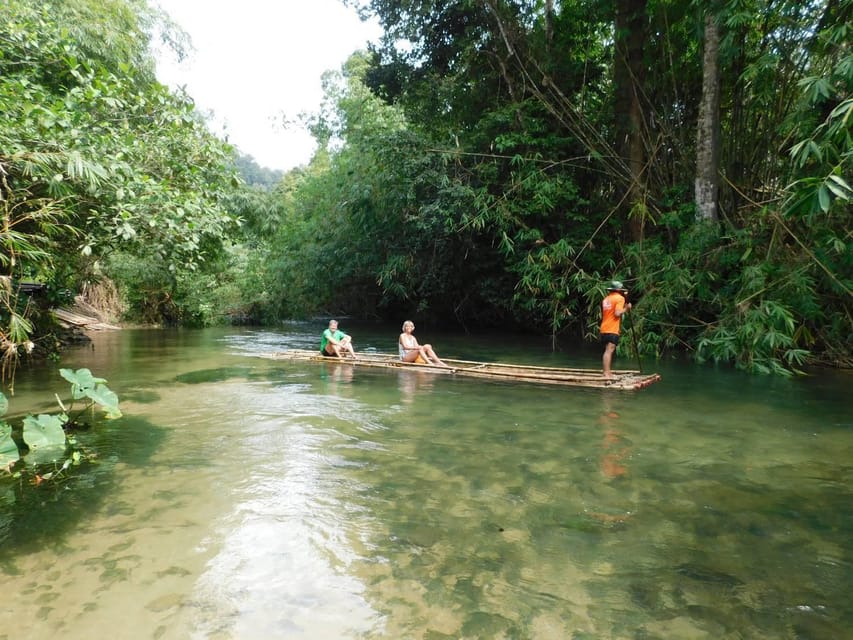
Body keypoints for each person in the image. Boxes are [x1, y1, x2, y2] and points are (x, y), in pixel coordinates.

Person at [600, 280, 632, 380]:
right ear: (618, 290)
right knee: (609, 351)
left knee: (607, 350)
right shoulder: (619, 298)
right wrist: (627, 309)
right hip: (612, 328)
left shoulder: (606, 299)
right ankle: (606, 373)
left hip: (604, 328)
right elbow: (617, 313)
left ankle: (607, 372)